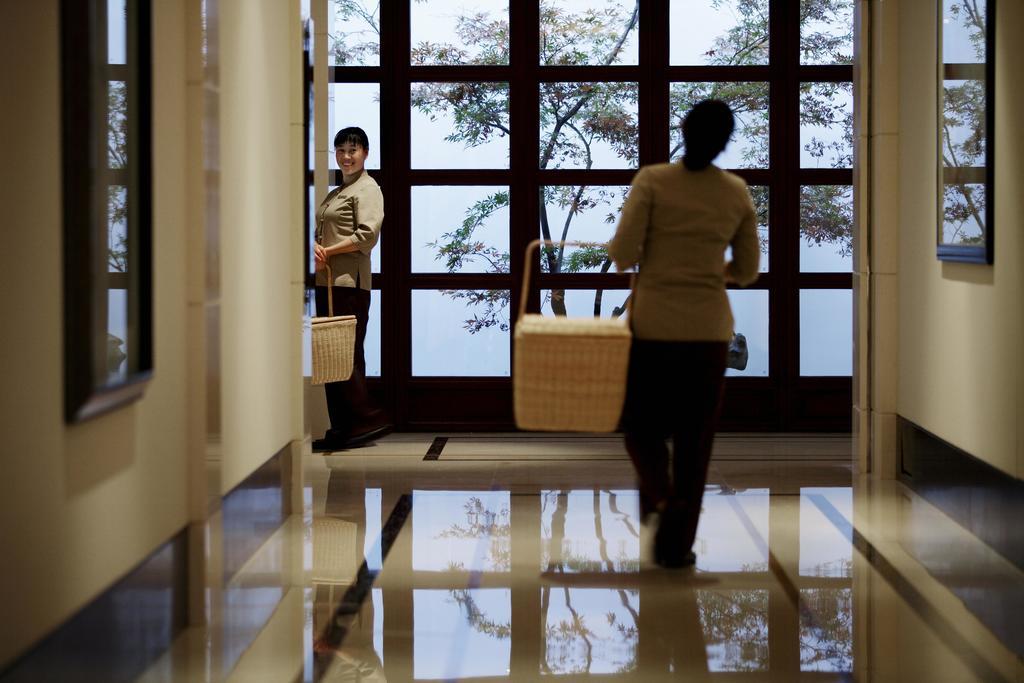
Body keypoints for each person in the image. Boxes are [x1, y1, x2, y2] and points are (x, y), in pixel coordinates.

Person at [607, 100, 760, 567]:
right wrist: (711, 272)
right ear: (724, 141)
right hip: (710, 330)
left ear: (684, 130)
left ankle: (663, 500)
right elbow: (750, 269)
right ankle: (678, 547)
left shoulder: (653, 181)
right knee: (696, 439)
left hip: (654, 326)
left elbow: (622, 253)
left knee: (640, 427)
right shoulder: (735, 191)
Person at [313, 127, 391, 451]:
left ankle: (365, 419)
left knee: (345, 355)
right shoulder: (338, 191)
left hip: (349, 284)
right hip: (328, 282)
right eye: (341, 150)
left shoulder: (368, 188)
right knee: (329, 355)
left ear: (365, 154)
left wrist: (328, 252)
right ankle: (342, 427)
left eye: (353, 150)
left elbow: (367, 236)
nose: (346, 156)